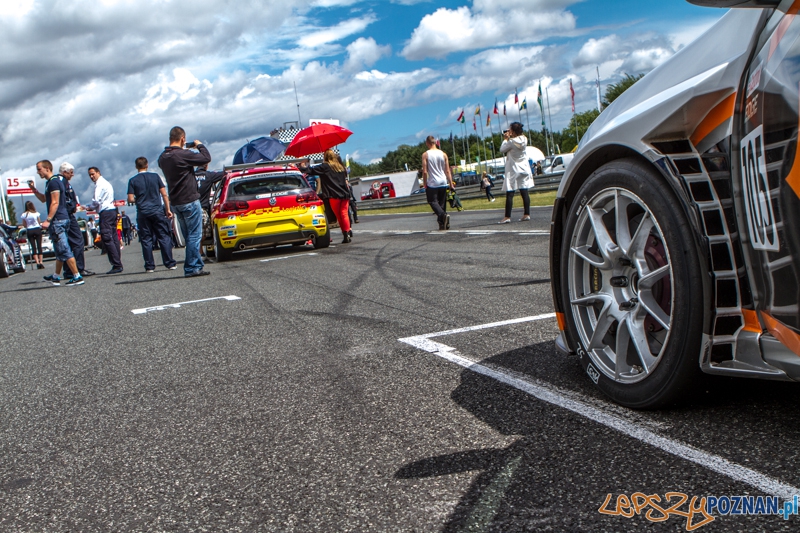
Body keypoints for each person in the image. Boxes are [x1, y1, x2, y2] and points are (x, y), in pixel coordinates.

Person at [158, 126, 211, 277]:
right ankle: (192, 267)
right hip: (189, 198)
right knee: (195, 234)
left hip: (175, 201)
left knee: (189, 235)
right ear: (182, 139)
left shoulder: (163, 157)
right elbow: (206, 158)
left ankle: (196, 264)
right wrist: (199, 145)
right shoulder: (183, 154)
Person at [32, 160, 84, 286]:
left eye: (39, 169)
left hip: (58, 219)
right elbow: (45, 199)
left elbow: (54, 202)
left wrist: (48, 220)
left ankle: (77, 276)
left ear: (47, 168)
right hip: (60, 219)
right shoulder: (50, 183)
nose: (38, 172)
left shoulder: (54, 182)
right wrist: (33, 188)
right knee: (59, 249)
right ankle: (55, 276)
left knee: (64, 248)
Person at [127, 157, 178, 273]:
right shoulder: (155, 177)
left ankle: (149, 266)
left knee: (146, 239)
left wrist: (138, 200)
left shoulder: (133, 180)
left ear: (136, 166)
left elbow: (130, 199)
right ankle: (169, 263)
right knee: (163, 236)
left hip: (143, 212)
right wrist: (168, 209)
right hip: (157, 210)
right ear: (147, 165)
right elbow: (164, 194)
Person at [300, 149, 352, 243]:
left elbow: (311, 170)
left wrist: (300, 167)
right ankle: (347, 233)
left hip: (333, 194)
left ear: (326, 157)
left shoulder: (325, 167)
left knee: (338, 216)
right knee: (344, 214)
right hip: (344, 194)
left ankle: (345, 234)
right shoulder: (340, 167)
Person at [58, 163, 95, 277]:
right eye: (71, 172)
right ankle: (78, 268)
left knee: (67, 243)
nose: (72, 175)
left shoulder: (62, 182)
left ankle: (69, 270)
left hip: (65, 214)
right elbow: (64, 199)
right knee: (78, 241)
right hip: (67, 215)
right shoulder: (62, 182)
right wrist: (72, 207)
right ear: (64, 172)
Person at [88, 166, 123, 273]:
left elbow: (96, 200)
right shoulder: (106, 183)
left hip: (105, 211)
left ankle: (116, 264)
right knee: (113, 237)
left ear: (98, 172)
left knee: (107, 238)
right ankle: (117, 261)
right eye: (90, 175)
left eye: (93, 174)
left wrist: (90, 207)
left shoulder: (100, 184)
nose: (91, 176)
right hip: (111, 210)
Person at [498, 122, 533, 224]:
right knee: (524, 191)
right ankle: (527, 214)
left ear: (512, 131)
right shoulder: (524, 139)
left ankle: (507, 216)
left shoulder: (511, 142)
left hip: (514, 169)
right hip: (524, 168)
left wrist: (505, 139)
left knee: (510, 193)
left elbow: (502, 149)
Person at [421, 135, 455, 230]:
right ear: (435, 142)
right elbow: (447, 170)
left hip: (433, 182)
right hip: (443, 181)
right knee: (442, 203)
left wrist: (424, 184)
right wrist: (451, 183)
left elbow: (424, 171)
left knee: (432, 201)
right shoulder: (444, 154)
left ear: (427, 143)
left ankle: (443, 215)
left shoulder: (426, 155)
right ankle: (442, 224)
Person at [20, 201, 44, 269]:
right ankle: (41, 261)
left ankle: (37, 262)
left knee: (33, 247)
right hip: (37, 229)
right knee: (39, 246)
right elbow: (39, 222)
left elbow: (24, 224)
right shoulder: (36, 213)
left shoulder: (24, 214)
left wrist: (27, 225)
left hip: (30, 230)